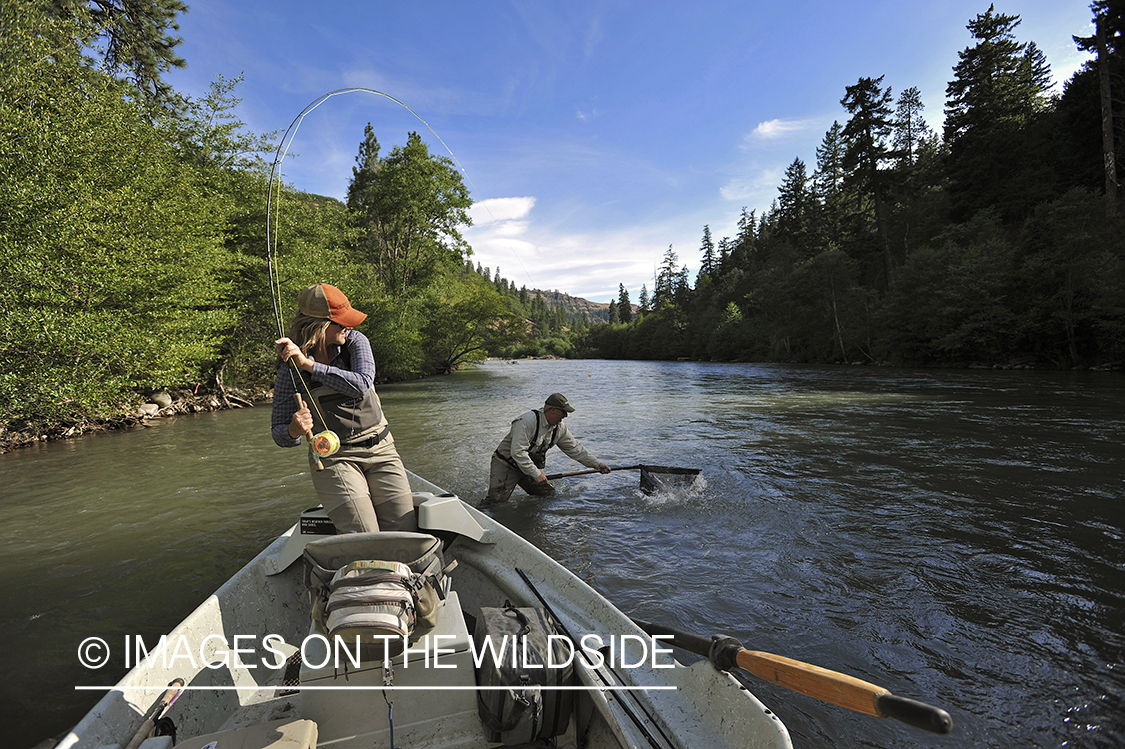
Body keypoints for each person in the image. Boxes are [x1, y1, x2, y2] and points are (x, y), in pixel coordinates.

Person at [271, 283, 417, 534]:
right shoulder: (289, 369)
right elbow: (278, 432)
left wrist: (309, 365)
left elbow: (360, 384)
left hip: (383, 450)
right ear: (320, 326)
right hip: (334, 459)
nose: (349, 326)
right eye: (341, 322)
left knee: (404, 532)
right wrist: (295, 430)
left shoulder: (355, 342)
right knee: (365, 535)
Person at [486, 393, 610, 503]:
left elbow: (575, 448)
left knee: (548, 496)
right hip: (507, 464)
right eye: (564, 412)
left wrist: (597, 464)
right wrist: (536, 474)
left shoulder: (560, 428)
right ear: (553, 410)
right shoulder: (526, 421)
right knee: (496, 502)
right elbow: (518, 452)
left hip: (529, 467)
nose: (566, 416)